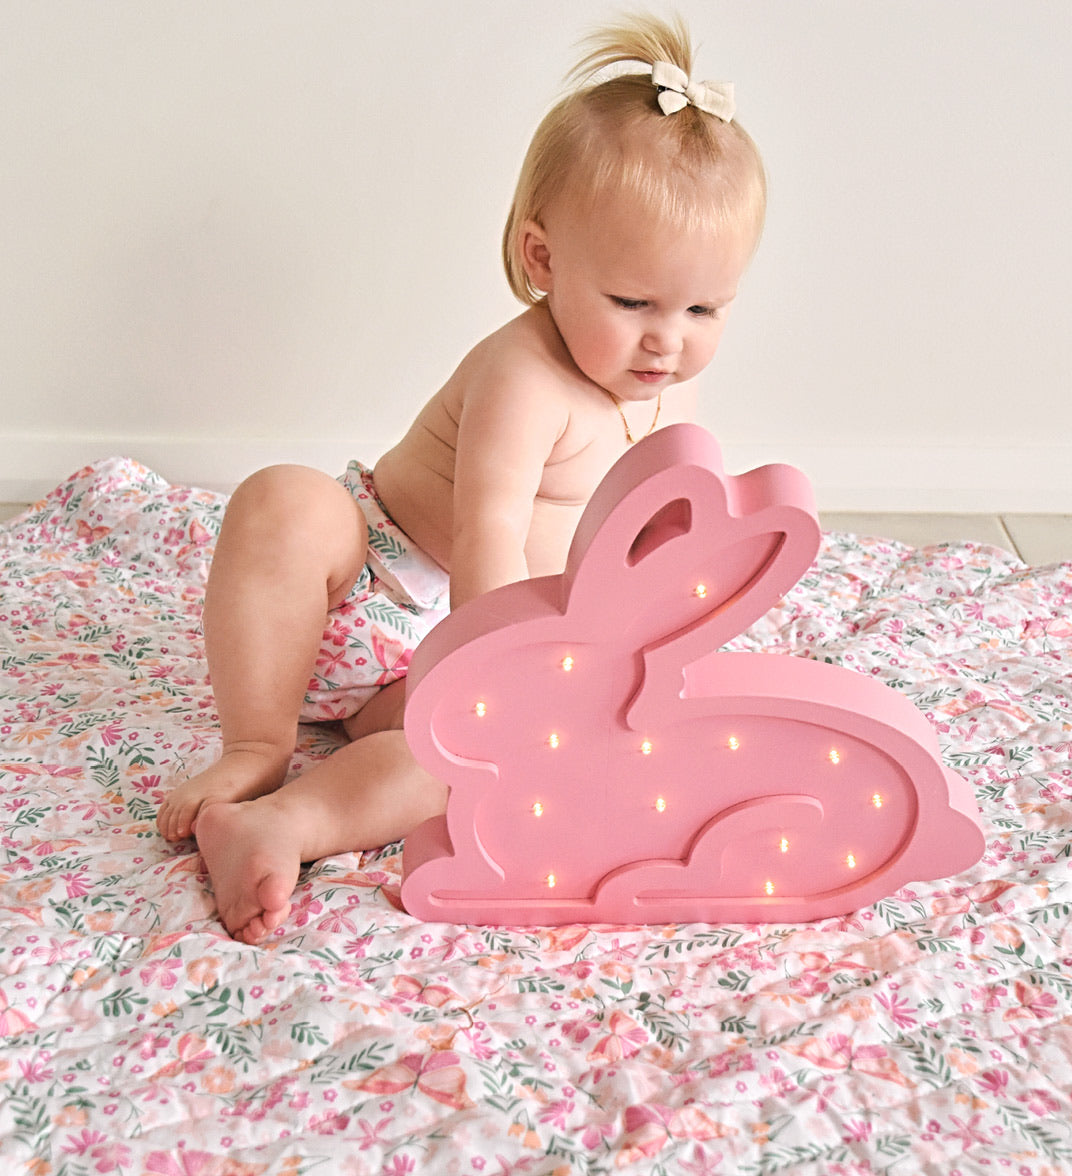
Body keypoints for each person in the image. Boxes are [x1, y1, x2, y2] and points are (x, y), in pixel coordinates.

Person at [157, 13, 766, 943]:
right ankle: (256, 745)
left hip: (425, 668)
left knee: (479, 755)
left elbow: (639, 550)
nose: (666, 339)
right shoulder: (524, 375)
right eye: (633, 301)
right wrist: (505, 660)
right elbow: (488, 530)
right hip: (357, 590)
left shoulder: (660, 400)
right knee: (285, 499)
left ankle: (280, 826)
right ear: (542, 257)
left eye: (702, 308)